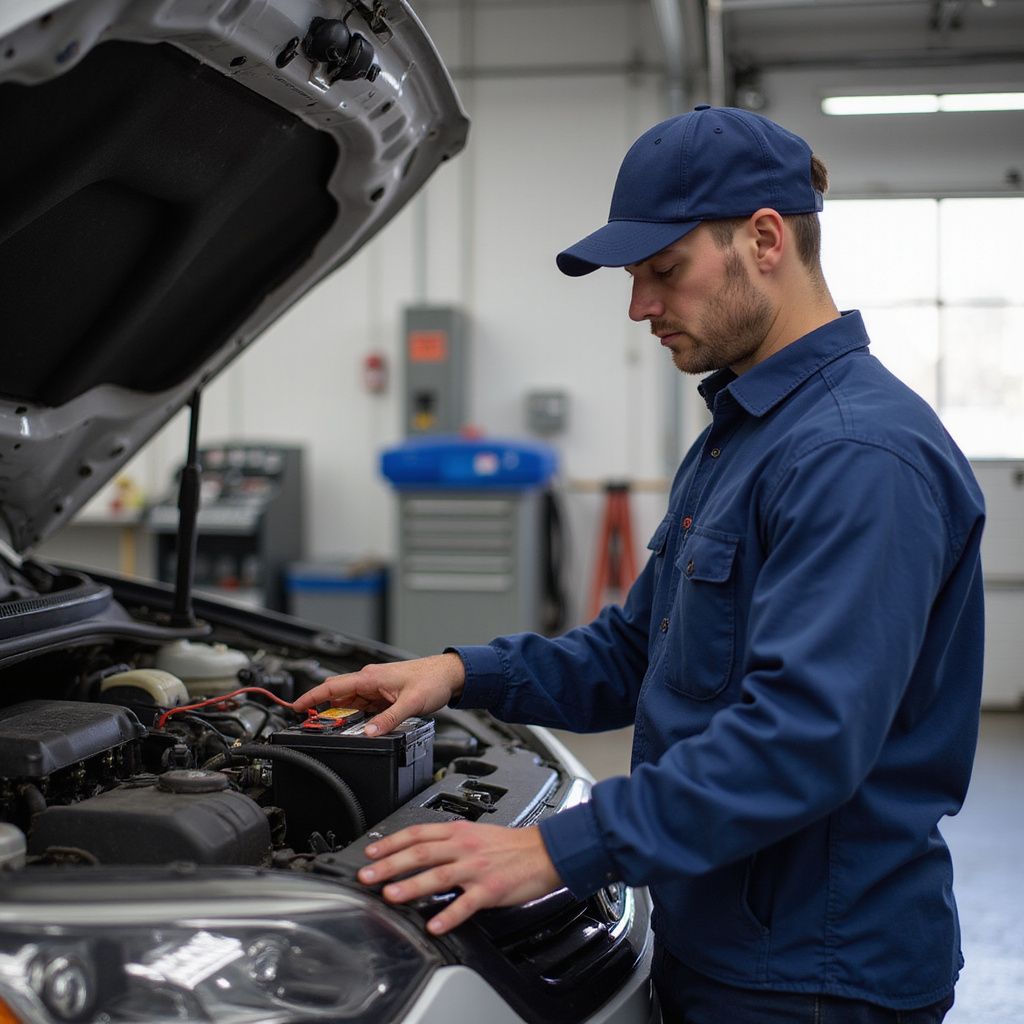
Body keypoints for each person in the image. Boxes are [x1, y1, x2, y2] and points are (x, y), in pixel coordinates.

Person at [295, 105, 984, 1023]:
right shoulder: (744, 436)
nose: (640, 306)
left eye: (665, 271)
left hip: (813, 977)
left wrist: (555, 852)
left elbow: (803, 739)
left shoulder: (856, 456)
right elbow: (635, 654)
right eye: (634, 276)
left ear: (765, 239)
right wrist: (459, 673)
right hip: (721, 933)